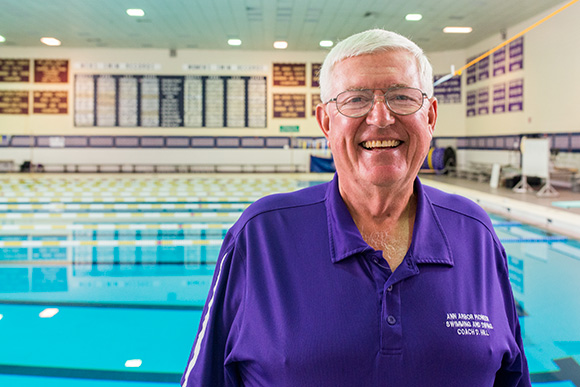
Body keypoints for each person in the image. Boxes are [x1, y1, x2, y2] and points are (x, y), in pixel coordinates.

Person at [181, 29, 530, 386]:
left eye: (402, 97)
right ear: (326, 123)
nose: (380, 117)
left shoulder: (475, 233)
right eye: (355, 99)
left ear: (431, 116)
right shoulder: (261, 235)